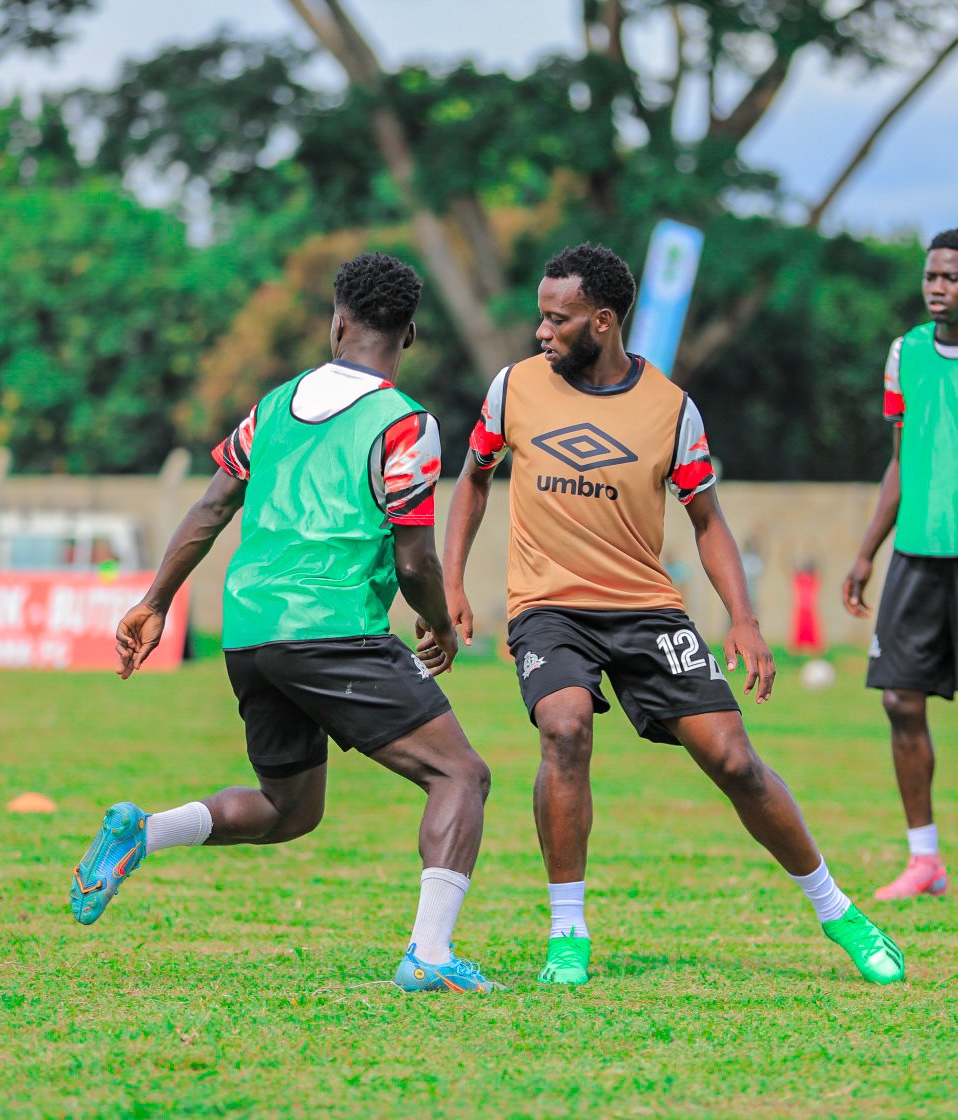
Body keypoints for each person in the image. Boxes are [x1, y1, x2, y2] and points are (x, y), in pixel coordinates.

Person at [443, 241, 904, 986]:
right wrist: (453, 581)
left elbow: (707, 519)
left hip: (646, 609)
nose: (541, 331)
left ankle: (839, 912)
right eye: (540, 316)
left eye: (557, 319)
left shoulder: (671, 409)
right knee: (564, 726)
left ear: (602, 321)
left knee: (734, 761)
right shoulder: (514, 387)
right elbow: (472, 480)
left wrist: (744, 619)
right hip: (549, 606)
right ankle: (568, 933)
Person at [70, 252, 498, 993]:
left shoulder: (271, 407)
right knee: (460, 774)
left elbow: (211, 507)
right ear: (410, 334)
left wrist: (155, 601)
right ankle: (430, 955)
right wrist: (440, 624)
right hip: (333, 628)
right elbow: (415, 560)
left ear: (338, 322)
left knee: (288, 809)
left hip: (250, 632)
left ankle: (145, 832)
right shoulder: (406, 423)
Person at [842, 227, 958, 901]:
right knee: (899, 698)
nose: (937, 287)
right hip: (916, 554)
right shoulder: (905, 352)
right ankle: (925, 860)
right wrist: (866, 551)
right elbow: (899, 462)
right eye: (931, 276)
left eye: (950, 277)